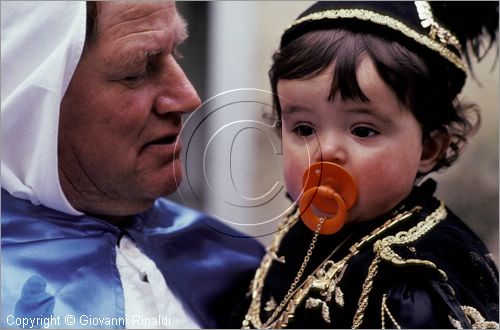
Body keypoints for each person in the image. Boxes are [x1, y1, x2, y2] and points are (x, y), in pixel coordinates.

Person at [1, 1, 263, 329]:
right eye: (137, 71)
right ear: (34, 97)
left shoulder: (229, 262)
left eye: (176, 52)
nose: (188, 97)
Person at [238, 1, 499, 329]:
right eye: (304, 129)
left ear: (430, 147)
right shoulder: (300, 227)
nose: (326, 151)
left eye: (363, 130)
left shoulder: (415, 279)